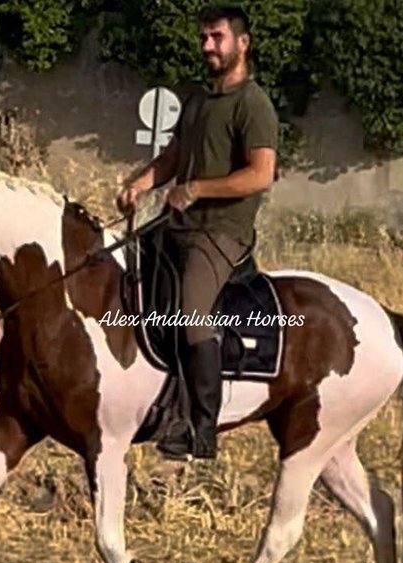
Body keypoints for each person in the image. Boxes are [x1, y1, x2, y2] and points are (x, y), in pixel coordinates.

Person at [117, 4, 279, 461]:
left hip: (220, 233)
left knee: (191, 319)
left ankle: (199, 431)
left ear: (242, 43)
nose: (208, 46)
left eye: (217, 37)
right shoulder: (197, 100)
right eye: (204, 38)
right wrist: (140, 183)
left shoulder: (254, 104)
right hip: (177, 224)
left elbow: (261, 174)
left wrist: (196, 189)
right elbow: (172, 156)